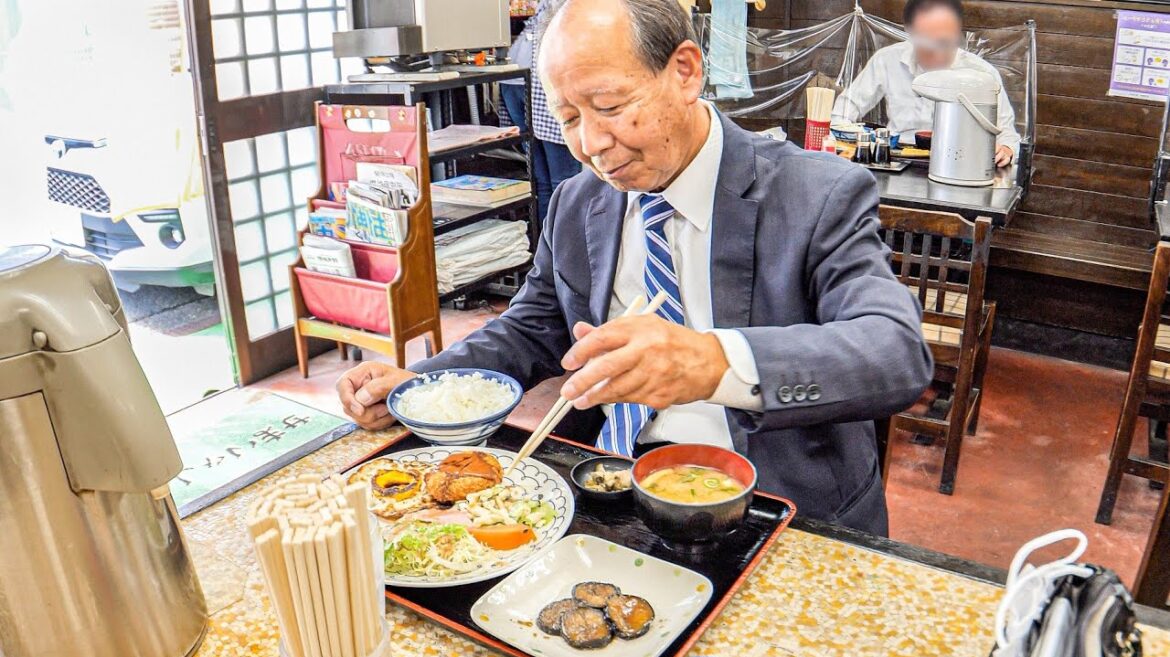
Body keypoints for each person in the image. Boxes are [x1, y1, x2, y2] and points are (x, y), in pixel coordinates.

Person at [337, 0, 933, 536]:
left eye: (611, 106)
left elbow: (895, 351)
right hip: (610, 490)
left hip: (778, 510)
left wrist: (712, 363)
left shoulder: (814, 193)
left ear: (685, 71)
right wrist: (426, 386)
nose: (593, 144)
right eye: (569, 119)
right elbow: (532, 326)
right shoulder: (578, 202)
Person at [831, 0, 1020, 168]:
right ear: (910, 33)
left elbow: (1008, 135)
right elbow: (842, 113)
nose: (938, 54)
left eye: (945, 43)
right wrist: (859, 139)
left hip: (958, 163)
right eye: (928, 44)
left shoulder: (981, 74)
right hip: (895, 159)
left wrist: (1006, 150)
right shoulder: (887, 60)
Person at [499, 0, 582, 219]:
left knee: (549, 181)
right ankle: (560, 244)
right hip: (532, 81)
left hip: (521, 79)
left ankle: (554, 242)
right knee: (558, 181)